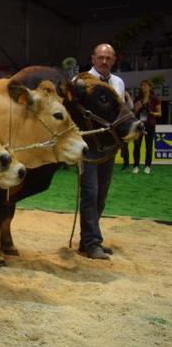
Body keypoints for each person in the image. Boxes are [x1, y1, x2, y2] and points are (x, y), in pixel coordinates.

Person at [79, 43, 126, 260]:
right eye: (100, 57)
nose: (104, 61)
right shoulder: (81, 82)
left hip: (108, 147)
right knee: (90, 193)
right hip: (88, 147)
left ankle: (88, 240)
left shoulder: (118, 83)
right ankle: (92, 243)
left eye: (108, 58)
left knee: (101, 195)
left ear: (114, 60)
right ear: (93, 59)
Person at [132, 79, 162, 174]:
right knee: (137, 146)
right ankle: (136, 166)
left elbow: (159, 114)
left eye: (145, 85)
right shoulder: (138, 98)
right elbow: (134, 113)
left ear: (150, 87)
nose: (143, 87)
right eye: (142, 85)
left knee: (149, 146)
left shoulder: (154, 99)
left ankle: (147, 166)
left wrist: (151, 112)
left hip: (150, 124)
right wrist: (138, 108)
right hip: (139, 124)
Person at [119, 90, 134, 170]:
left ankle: (126, 164)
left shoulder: (127, 103)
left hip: (124, 126)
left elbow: (131, 106)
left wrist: (127, 96)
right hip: (116, 126)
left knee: (125, 146)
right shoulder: (118, 101)